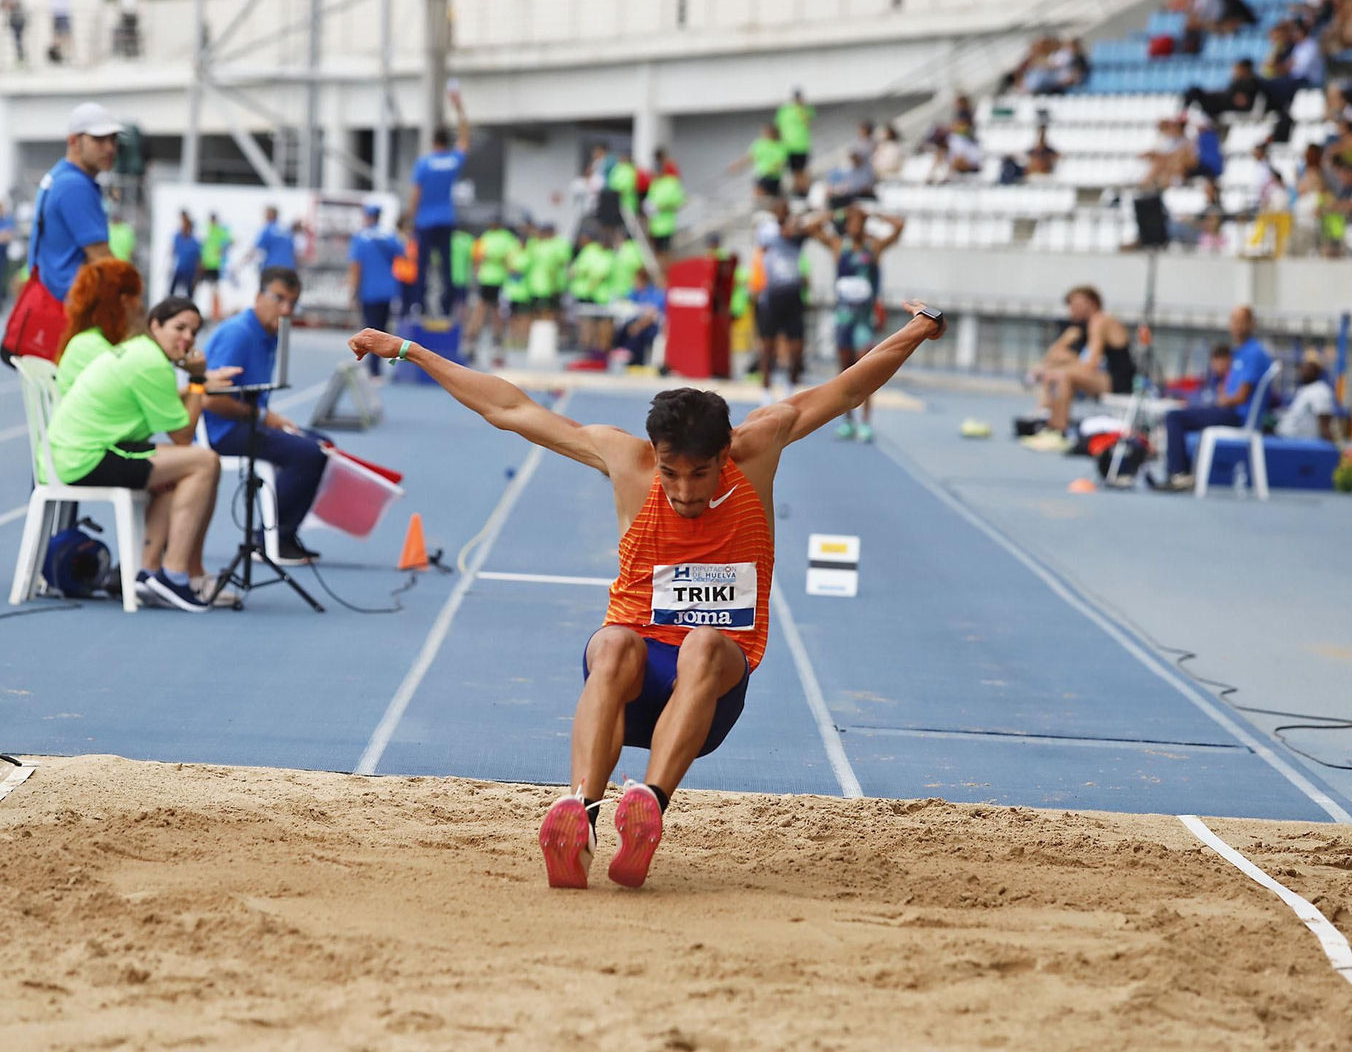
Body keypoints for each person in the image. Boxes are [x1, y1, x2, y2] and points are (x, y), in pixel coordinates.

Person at [346, 300, 948, 891]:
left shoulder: (761, 445)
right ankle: (580, 814)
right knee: (609, 643)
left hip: (710, 688)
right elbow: (510, 408)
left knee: (705, 642)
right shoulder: (625, 461)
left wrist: (918, 329)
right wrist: (410, 349)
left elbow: (845, 391)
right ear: (654, 457)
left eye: (699, 474)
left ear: (725, 453)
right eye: (670, 473)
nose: (683, 491)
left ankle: (649, 807)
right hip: (633, 682)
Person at [43, 295, 240, 611]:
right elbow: (183, 436)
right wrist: (199, 379)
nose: (187, 338)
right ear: (155, 325)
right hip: (89, 456)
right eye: (180, 328)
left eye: (194, 331)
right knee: (205, 462)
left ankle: (147, 572)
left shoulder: (141, 352)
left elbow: (166, 406)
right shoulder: (151, 362)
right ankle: (173, 577)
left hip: (79, 451)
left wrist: (196, 384)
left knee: (179, 473)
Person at [200, 268, 330, 565]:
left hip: (244, 422)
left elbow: (249, 396)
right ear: (259, 296)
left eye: (292, 302)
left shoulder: (270, 334)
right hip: (221, 431)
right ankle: (269, 539)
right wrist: (262, 415)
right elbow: (210, 400)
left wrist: (266, 416)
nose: (286, 309)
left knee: (322, 445)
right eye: (279, 299)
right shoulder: (239, 333)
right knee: (308, 454)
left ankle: (283, 533)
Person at [805, 206, 905, 441]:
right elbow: (811, 227)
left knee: (866, 367)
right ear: (847, 225)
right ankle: (848, 420)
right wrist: (834, 214)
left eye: (860, 222)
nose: (855, 226)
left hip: (864, 320)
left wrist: (876, 214)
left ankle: (866, 422)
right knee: (844, 369)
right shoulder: (840, 246)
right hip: (843, 319)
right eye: (851, 222)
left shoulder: (874, 248)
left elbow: (899, 227)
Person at [1157, 305, 1272, 491]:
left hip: (1236, 416)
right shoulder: (1240, 353)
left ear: (1252, 324)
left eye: (1242, 321)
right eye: (1234, 321)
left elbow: (1241, 397)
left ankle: (1179, 474)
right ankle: (1182, 473)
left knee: (1174, 417)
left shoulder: (1254, 353)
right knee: (1182, 412)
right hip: (1228, 410)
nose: (1237, 326)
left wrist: (1222, 401)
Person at [26, 102, 119, 313]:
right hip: (70, 308)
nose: (110, 148)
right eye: (98, 139)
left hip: (52, 302)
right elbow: (101, 257)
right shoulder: (74, 184)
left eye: (113, 139)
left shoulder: (58, 176)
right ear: (73, 141)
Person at [1021, 286, 1138, 452]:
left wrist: (1067, 362)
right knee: (1054, 372)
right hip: (1105, 377)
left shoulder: (1100, 321)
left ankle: (1059, 431)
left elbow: (1090, 364)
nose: (1071, 310)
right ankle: (1045, 420)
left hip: (1119, 381)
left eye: (1076, 305)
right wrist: (1064, 342)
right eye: (1070, 306)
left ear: (1091, 304)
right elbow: (1052, 358)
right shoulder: (1082, 327)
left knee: (1063, 375)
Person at [406, 86, 470, 315]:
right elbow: (464, 138)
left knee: (421, 266)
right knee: (446, 266)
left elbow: (416, 194)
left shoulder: (424, 163)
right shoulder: (453, 160)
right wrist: (459, 107)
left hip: (425, 221)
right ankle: (446, 306)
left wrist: (410, 219)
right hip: (446, 219)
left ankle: (418, 306)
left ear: (433, 141)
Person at [55, 258, 142, 396]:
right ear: (124, 302)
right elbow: (140, 393)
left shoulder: (86, 339)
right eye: (137, 298)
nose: (140, 306)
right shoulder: (93, 347)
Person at [756, 202, 810, 402]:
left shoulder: (797, 236)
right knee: (767, 346)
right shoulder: (768, 231)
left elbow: (809, 228)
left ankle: (791, 385)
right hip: (773, 296)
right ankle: (766, 388)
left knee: (797, 348)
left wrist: (800, 221)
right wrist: (792, 224)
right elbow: (781, 234)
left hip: (793, 296)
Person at [347, 204, 405, 383]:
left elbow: (356, 266)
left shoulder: (361, 238)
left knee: (371, 329)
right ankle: (391, 366)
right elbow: (402, 254)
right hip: (388, 289)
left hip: (369, 290)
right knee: (386, 329)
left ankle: (374, 370)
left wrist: (353, 291)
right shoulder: (388, 235)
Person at [467, 217, 520, 355]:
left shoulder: (501, 238)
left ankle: (492, 339)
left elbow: (510, 258)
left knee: (493, 310)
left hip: (497, 278)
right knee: (485, 308)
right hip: (490, 278)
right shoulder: (490, 237)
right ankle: (475, 337)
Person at [612, 268, 665, 367]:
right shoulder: (635, 293)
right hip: (638, 322)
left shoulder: (654, 294)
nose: (634, 283)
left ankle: (635, 360)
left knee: (638, 334)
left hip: (651, 326)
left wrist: (638, 326)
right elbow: (627, 304)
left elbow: (652, 316)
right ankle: (620, 352)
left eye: (636, 280)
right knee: (623, 330)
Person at [1276, 357, 1337, 439]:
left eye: (1307, 369)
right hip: (1287, 438)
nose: (1303, 372)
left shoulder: (1320, 390)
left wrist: (1331, 447)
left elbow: (1324, 420)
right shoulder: (1304, 389)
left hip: (1302, 443)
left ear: (1315, 371)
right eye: (1302, 368)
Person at [732, 122, 788, 200]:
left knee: (766, 195)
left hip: (773, 177)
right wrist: (736, 166)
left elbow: (781, 161)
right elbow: (750, 157)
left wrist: (774, 168)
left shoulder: (779, 146)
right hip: (761, 175)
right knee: (760, 194)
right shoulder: (759, 144)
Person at [776, 88, 816, 195]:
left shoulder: (805, 109)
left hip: (801, 145)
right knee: (794, 171)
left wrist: (801, 108)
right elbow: (779, 127)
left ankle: (804, 191)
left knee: (802, 170)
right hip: (788, 146)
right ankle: (799, 191)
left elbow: (808, 121)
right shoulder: (784, 111)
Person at [199, 212, 231, 320]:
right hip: (206, 263)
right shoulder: (206, 230)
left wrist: (222, 250)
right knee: (208, 288)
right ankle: (210, 310)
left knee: (215, 288)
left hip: (215, 264)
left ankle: (216, 311)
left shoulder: (218, 231)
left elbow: (230, 240)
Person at [250, 206, 297, 271]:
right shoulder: (286, 230)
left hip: (273, 267)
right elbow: (293, 251)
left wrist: (239, 266)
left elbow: (255, 250)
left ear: (269, 215)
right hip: (289, 268)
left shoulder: (268, 230)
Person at [169, 212, 200, 298]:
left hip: (190, 272)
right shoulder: (178, 238)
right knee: (171, 291)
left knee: (190, 295)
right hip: (180, 270)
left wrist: (197, 277)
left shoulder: (194, 243)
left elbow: (198, 260)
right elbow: (173, 253)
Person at [1, 0, 27, 64]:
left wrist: (6, 4)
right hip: (13, 20)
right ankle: (20, 58)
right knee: (16, 40)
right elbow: (1, 5)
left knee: (19, 40)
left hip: (19, 19)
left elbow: (12, 4)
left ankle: (21, 59)